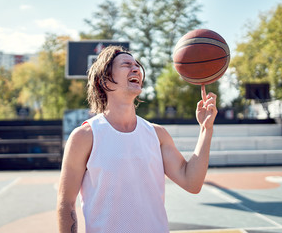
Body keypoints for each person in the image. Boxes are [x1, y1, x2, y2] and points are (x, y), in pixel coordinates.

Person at [57, 45, 217, 233]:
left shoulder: (157, 135)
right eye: (126, 65)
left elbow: (192, 182)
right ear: (104, 81)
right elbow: (66, 204)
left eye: (137, 65)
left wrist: (206, 130)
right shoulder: (85, 137)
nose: (135, 69)